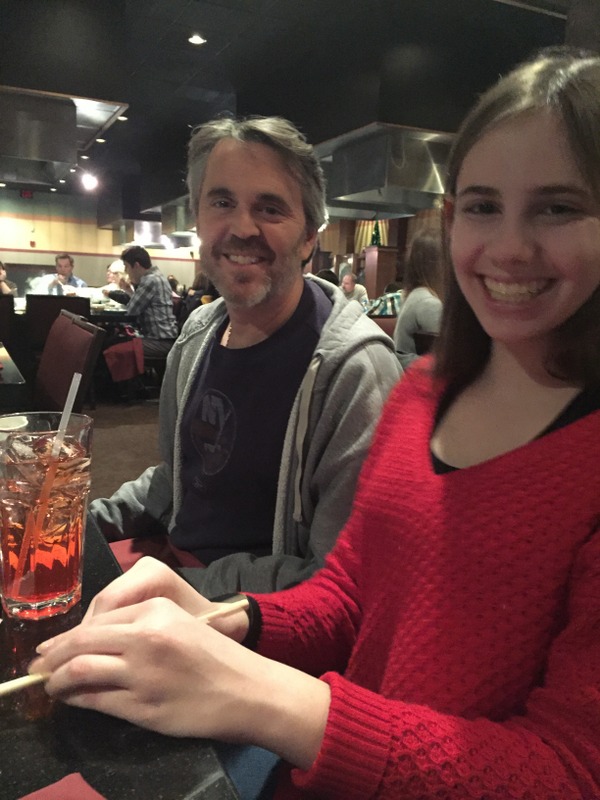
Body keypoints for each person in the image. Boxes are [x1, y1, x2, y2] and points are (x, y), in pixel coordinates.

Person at [34, 48, 600, 800]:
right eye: (482, 206)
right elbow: (350, 593)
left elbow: (573, 770)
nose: (508, 248)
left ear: (310, 234)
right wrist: (227, 618)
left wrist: (267, 698)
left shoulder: (363, 367)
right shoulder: (423, 392)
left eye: (557, 207)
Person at [89, 115, 401, 597]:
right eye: (221, 203)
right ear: (199, 219)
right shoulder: (198, 334)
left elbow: (338, 582)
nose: (241, 227)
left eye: (270, 208)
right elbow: (180, 479)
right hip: (175, 569)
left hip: (255, 615)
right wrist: (85, 523)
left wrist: (183, 590)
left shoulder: (355, 372)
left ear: (309, 237)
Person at [116, 246, 179, 357]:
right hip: (166, 338)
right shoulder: (157, 276)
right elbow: (139, 304)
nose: (126, 271)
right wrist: (129, 290)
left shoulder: (150, 280)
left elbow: (131, 311)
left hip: (159, 341)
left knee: (115, 348)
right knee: (118, 341)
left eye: (126, 266)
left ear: (136, 265)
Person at [393, 231, 444, 367]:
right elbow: (452, 351)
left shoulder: (415, 294)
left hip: (406, 372)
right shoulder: (427, 303)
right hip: (417, 374)